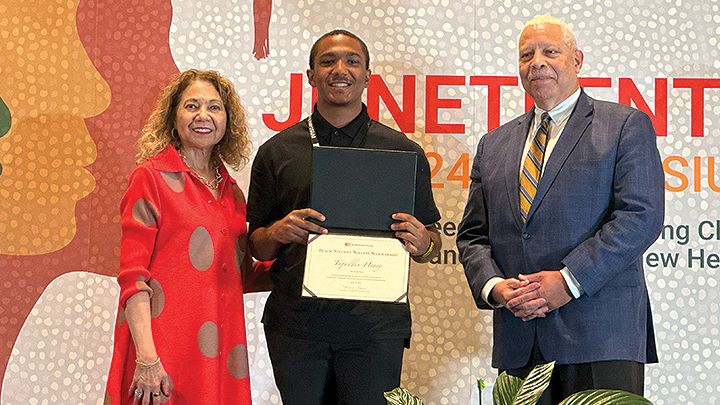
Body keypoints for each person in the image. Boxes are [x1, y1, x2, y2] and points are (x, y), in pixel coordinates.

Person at [456, 15, 664, 403]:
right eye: (526, 55)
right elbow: (472, 236)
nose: (537, 61)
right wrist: (496, 288)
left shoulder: (624, 125)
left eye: (550, 51)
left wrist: (568, 280)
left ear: (577, 60)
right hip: (520, 339)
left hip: (600, 337)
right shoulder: (494, 143)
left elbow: (641, 216)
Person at [247, 29, 442, 405]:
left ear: (368, 76)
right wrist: (279, 230)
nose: (341, 69)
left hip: (375, 330)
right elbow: (257, 244)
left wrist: (423, 242)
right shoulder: (276, 152)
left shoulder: (403, 153)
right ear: (310, 75)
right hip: (297, 328)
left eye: (352, 61)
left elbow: (431, 244)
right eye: (328, 61)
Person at [106, 69, 258, 405]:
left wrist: (306, 260)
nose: (203, 116)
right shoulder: (150, 178)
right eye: (192, 106)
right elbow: (133, 279)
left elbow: (236, 274)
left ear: (227, 122)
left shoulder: (233, 192)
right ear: (173, 118)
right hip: (163, 354)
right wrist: (147, 359)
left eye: (214, 107)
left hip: (221, 355)